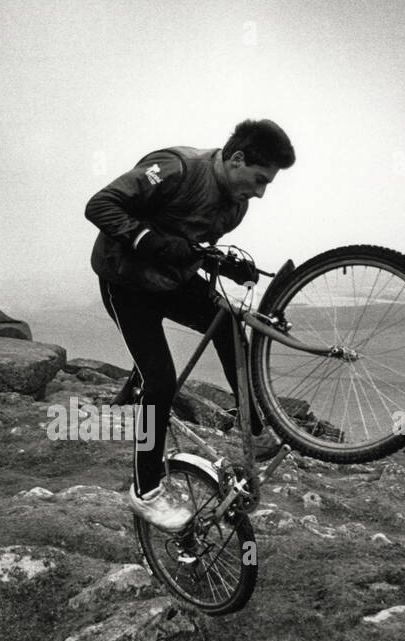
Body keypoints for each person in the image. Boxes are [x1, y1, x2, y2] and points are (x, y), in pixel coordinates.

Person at [85, 118, 295, 532]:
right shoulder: (175, 168)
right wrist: (148, 240)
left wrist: (223, 262)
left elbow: (191, 245)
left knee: (229, 325)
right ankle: (146, 491)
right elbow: (100, 204)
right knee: (161, 381)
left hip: (171, 282)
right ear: (236, 159)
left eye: (266, 183)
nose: (260, 192)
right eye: (258, 179)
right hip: (125, 281)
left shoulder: (236, 205)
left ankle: (252, 429)